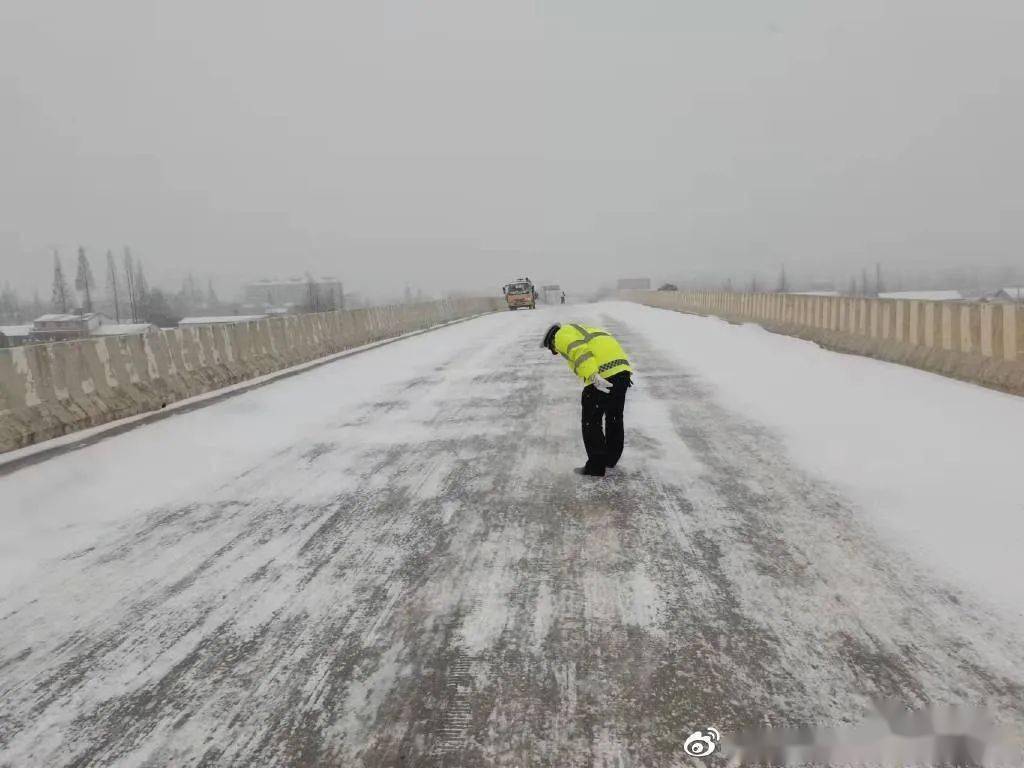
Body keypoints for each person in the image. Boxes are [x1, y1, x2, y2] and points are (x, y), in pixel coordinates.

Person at [541, 323, 632, 477]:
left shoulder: (561, 334)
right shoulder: (587, 330)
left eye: (553, 349)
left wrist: (592, 375)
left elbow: (579, 351)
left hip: (601, 375)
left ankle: (596, 467)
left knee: (591, 421)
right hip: (622, 372)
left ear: (551, 340)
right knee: (614, 417)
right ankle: (610, 458)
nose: (555, 352)